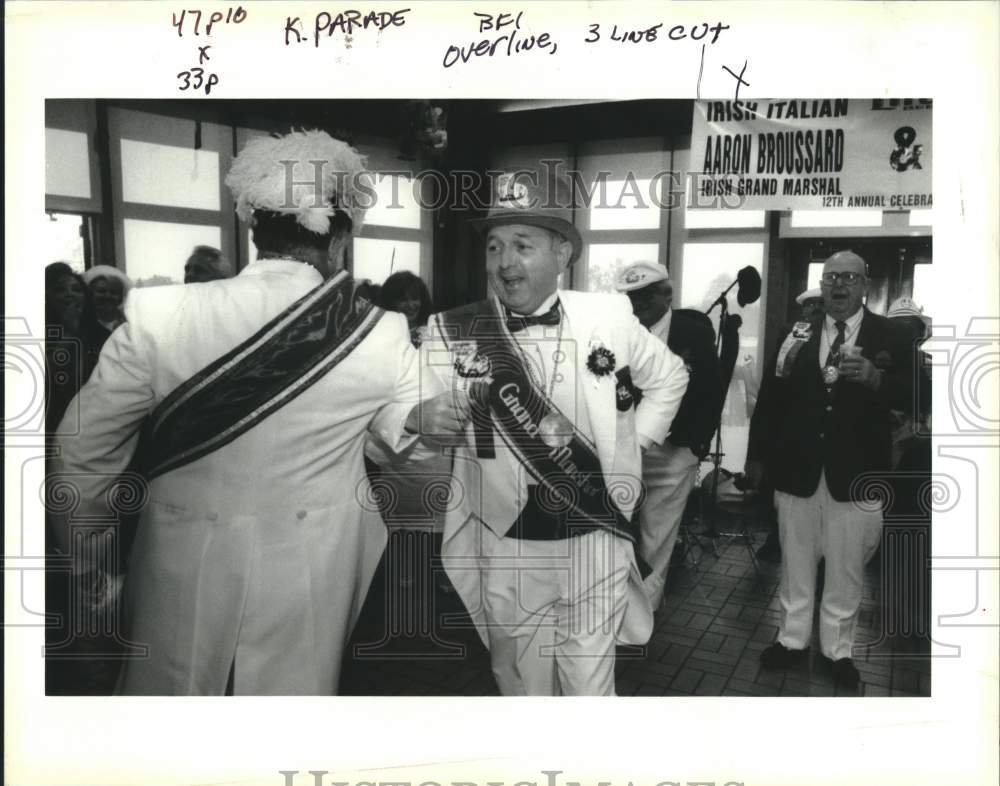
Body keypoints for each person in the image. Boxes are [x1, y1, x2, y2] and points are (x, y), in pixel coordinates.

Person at [51, 130, 461, 695]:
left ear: (252, 228)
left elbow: (81, 454)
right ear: (341, 239)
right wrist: (408, 422)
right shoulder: (379, 332)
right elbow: (420, 431)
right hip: (311, 577)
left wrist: (91, 578)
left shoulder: (159, 314)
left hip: (176, 565)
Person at [417, 170, 689, 695]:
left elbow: (671, 376)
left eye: (522, 245)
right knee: (522, 685)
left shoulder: (609, 314)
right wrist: (420, 419)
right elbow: (414, 418)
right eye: (494, 247)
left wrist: (640, 442)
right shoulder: (452, 329)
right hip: (508, 544)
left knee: (590, 689)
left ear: (563, 255)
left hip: (595, 536)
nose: (504, 262)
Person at [745, 250, 912, 689]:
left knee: (846, 567)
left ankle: (838, 649)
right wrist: (757, 457)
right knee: (795, 560)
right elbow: (771, 401)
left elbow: (921, 395)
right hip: (797, 469)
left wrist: (879, 380)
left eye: (850, 278)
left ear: (865, 285)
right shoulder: (795, 331)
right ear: (822, 284)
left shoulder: (890, 335)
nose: (839, 286)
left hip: (857, 473)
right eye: (831, 277)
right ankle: (791, 639)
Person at [614, 260, 720, 609]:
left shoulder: (694, 332)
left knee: (656, 534)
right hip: (621, 447)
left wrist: (697, 443)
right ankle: (612, 603)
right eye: (630, 298)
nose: (637, 306)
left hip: (674, 449)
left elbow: (711, 390)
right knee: (614, 529)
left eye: (645, 297)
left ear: (667, 295)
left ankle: (646, 606)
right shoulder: (614, 329)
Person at [381, 270, 433, 345]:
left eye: (415, 298)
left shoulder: (431, 334)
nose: (410, 305)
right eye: (403, 300)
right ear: (390, 302)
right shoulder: (383, 335)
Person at [83, 265, 131, 335]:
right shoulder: (83, 323)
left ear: (120, 297)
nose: (107, 296)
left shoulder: (128, 323)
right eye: (101, 291)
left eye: (113, 292)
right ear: (90, 293)